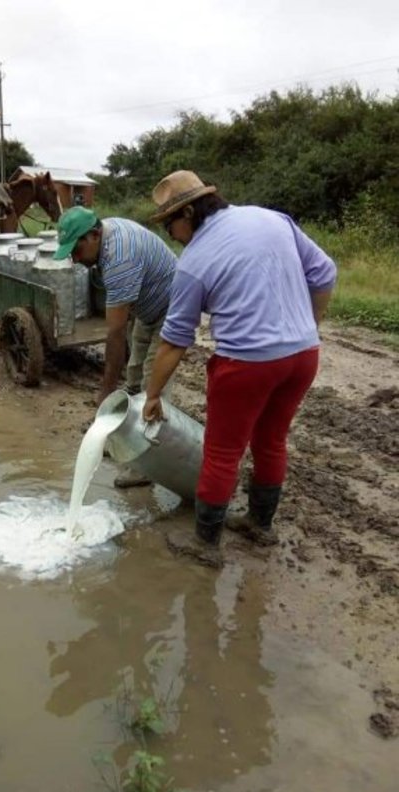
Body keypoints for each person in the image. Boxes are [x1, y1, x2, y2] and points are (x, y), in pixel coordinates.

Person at [142, 170, 337, 568]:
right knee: (271, 440)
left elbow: (175, 338)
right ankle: (260, 526)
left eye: (171, 226)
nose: (172, 236)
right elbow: (324, 272)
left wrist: (153, 394)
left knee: (222, 452)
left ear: (191, 212)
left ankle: (206, 545)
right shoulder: (272, 219)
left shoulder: (193, 262)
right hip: (302, 358)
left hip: (246, 365)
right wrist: (307, 327)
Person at [54, 206, 178, 488]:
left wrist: (106, 390)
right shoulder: (106, 233)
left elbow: (114, 332)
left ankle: (148, 465)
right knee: (133, 374)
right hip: (146, 308)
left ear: (95, 235)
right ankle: (125, 440)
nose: (74, 259)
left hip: (173, 309)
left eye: (76, 250)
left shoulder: (120, 258)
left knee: (153, 385)